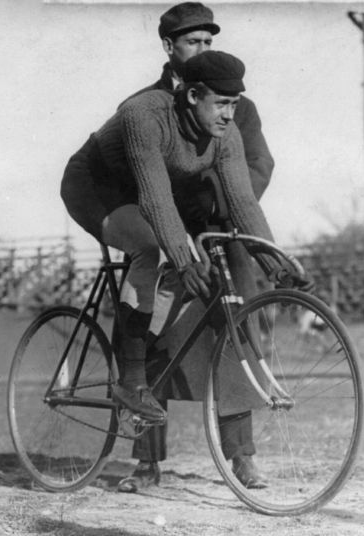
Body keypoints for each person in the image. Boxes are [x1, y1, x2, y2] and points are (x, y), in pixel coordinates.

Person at [60, 50, 296, 492]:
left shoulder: (224, 132)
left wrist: (276, 262)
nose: (230, 114)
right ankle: (132, 381)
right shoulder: (144, 114)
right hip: (98, 189)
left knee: (178, 286)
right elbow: (154, 199)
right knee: (153, 245)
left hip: (153, 199)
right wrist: (184, 260)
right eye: (221, 104)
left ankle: (154, 370)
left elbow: (243, 201)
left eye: (234, 104)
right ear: (190, 95)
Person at [115, 2, 276, 494]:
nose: (203, 50)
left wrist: (215, 209)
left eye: (209, 41)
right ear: (169, 47)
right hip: (163, 233)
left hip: (221, 233)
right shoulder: (143, 107)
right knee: (153, 330)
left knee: (237, 331)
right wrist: (169, 232)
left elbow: (255, 167)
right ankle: (146, 461)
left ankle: (242, 454)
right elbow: (135, 179)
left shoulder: (237, 105)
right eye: (193, 42)